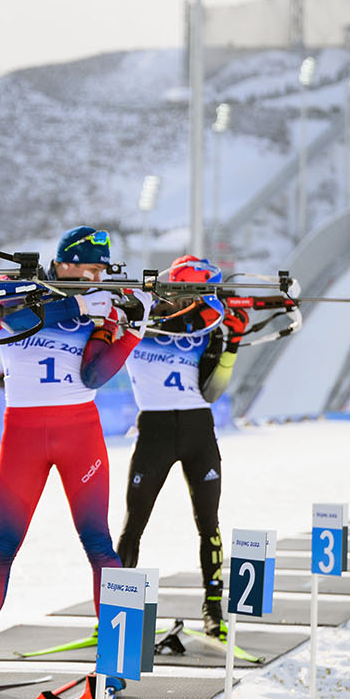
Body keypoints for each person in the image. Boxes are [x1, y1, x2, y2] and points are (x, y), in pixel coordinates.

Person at [0, 225, 151, 689]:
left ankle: (116, 657)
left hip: (78, 432)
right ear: (63, 263)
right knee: (3, 544)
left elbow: (93, 374)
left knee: (99, 544)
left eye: (102, 270)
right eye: (88, 268)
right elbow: (18, 318)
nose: (96, 276)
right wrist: (83, 304)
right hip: (23, 434)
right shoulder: (22, 290)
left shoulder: (98, 304)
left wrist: (131, 328)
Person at [114, 255, 249, 639]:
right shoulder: (138, 316)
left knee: (208, 523)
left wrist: (232, 343)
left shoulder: (208, 326)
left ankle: (213, 608)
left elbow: (213, 391)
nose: (189, 301)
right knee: (133, 525)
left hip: (197, 429)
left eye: (197, 294)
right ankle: (116, 613)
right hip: (154, 429)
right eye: (185, 292)